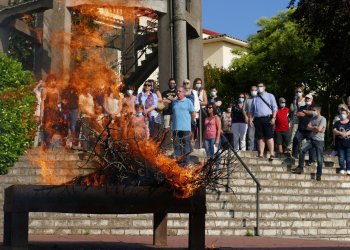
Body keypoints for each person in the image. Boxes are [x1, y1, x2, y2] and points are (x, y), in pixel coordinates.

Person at [292, 105, 326, 181]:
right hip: (311, 139)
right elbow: (307, 127)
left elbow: (319, 129)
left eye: (314, 110)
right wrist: (315, 128)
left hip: (319, 141)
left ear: (318, 111)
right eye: (312, 110)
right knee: (302, 150)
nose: (312, 112)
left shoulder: (323, 119)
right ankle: (300, 167)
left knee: (319, 159)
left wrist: (314, 128)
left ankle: (318, 174)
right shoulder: (313, 118)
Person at [249, 83, 277, 160]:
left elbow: (274, 108)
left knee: (269, 136)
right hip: (257, 119)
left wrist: (273, 118)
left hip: (267, 118)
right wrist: (250, 119)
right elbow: (252, 110)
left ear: (264, 87)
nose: (259, 88)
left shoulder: (270, 96)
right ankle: (261, 154)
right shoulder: (255, 98)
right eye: (258, 86)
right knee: (260, 137)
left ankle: (272, 153)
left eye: (260, 86)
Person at [172, 86, 195, 166]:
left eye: (180, 91)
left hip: (185, 128)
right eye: (177, 91)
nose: (178, 92)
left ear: (184, 93)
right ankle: (178, 162)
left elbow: (193, 113)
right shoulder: (174, 102)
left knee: (186, 146)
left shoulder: (188, 101)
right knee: (177, 146)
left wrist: (191, 123)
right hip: (176, 128)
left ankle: (186, 162)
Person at [291, 94, 316, 164]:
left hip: (310, 130)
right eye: (306, 98)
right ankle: (295, 155)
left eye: (309, 98)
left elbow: (315, 114)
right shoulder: (302, 107)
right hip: (301, 129)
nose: (307, 99)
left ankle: (312, 159)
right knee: (295, 139)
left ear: (312, 99)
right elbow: (298, 114)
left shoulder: (314, 107)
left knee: (311, 144)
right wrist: (309, 113)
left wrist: (305, 112)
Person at [40, 74, 61, 149]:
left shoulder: (57, 90)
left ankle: (53, 144)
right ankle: (46, 144)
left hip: (55, 111)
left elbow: (58, 101)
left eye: (55, 80)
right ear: (49, 81)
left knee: (54, 127)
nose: (54, 82)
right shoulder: (45, 89)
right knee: (47, 128)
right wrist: (41, 113)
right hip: (47, 111)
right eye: (53, 80)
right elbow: (42, 101)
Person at [288, 87, 306, 151]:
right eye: (297, 92)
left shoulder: (305, 100)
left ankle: (304, 149)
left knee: (303, 135)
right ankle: (290, 148)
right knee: (293, 134)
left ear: (302, 92)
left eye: (300, 91)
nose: (298, 93)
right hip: (295, 120)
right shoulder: (294, 100)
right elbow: (293, 111)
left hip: (303, 120)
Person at [78, 86, 96, 152]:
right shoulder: (81, 97)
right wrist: (89, 113)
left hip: (91, 118)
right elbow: (81, 108)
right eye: (87, 88)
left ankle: (91, 149)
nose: (88, 89)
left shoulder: (90, 96)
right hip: (85, 116)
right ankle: (84, 149)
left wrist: (93, 114)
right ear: (84, 88)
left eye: (89, 88)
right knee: (85, 133)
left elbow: (92, 107)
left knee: (92, 133)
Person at [333, 107, 350, 174]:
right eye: (341, 113)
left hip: (348, 143)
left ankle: (348, 168)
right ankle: (342, 168)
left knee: (349, 157)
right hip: (340, 143)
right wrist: (340, 133)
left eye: (344, 113)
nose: (342, 114)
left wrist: (346, 134)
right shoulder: (337, 122)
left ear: (347, 114)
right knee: (341, 157)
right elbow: (334, 130)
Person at [183, 79, 200, 146]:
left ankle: (191, 145)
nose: (186, 85)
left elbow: (196, 102)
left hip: (192, 113)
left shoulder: (194, 92)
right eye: (184, 83)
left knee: (192, 129)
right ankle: (186, 145)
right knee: (185, 130)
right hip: (184, 114)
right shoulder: (181, 91)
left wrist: (195, 111)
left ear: (190, 84)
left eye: (187, 83)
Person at [243, 85, 258, 151]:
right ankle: (250, 150)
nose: (253, 91)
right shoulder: (247, 100)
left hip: (259, 120)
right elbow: (243, 109)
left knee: (260, 136)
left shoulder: (260, 99)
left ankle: (259, 150)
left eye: (255, 90)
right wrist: (246, 117)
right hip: (250, 120)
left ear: (257, 91)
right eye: (252, 90)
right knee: (250, 136)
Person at [33, 80, 45, 146]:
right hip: (35, 113)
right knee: (35, 128)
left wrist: (41, 115)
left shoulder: (42, 97)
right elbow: (34, 90)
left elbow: (42, 107)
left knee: (38, 128)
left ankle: (36, 143)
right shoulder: (37, 93)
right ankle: (33, 143)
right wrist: (39, 83)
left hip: (38, 113)